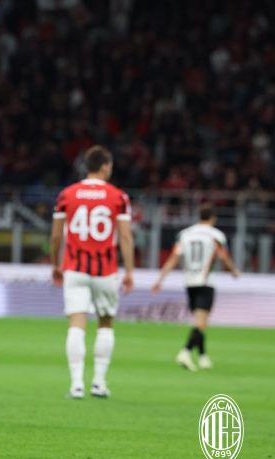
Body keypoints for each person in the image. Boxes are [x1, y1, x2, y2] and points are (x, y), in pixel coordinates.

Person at [50, 145, 134, 400]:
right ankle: (98, 382)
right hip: (105, 271)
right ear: (105, 166)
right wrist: (129, 271)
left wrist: (55, 265)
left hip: (74, 269)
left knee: (76, 326)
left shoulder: (67, 194)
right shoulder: (119, 197)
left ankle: (76, 385)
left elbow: (56, 236)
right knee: (105, 324)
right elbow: (125, 237)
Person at [151, 203, 239, 371]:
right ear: (213, 218)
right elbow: (225, 258)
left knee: (200, 321)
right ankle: (185, 352)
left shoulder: (185, 234)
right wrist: (234, 271)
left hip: (189, 282)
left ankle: (203, 357)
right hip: (205, 282)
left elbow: (174, 258)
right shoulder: (216, 235)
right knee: (200, 322)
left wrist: (160, 279)